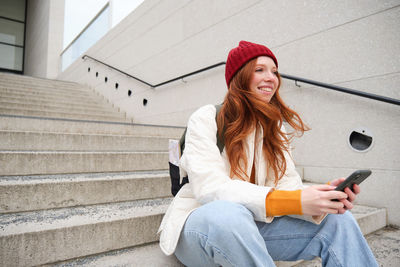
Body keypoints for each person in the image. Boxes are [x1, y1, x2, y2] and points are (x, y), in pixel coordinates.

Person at [158, 40, 378, 267]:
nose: (271, 78)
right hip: (202, 226)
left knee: (337, 222)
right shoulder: (206, 117)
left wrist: (320, 197)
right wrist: (294, 200)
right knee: (229, 215)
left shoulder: (273, 128)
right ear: (239, 77)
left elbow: (287, 186)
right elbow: (210, 188)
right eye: (259, 70)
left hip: (252, 227)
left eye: (274, 72)